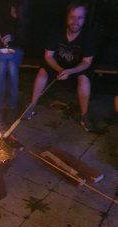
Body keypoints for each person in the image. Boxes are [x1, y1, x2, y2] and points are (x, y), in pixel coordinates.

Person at [25, 0, 98, 132]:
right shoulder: (56, 31)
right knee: (42, 72)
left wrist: (70, 71)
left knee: (84, 79)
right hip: (57, 64)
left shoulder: (89, 36)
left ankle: (84, 115)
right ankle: (32, 106)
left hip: (77, 67)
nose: (76, 21)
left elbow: (87, 62)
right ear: (67, 18)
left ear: (84, 19)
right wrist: (60, 69)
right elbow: (48, 56)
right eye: (72, 17)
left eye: (80, 18)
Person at [0, 0, 30, 125]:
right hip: (0, 51)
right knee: (1, 65)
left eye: (18, 13)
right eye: (14, 10)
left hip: (17, 51)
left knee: (11, 67)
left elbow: (29, 40)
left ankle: (12, 107)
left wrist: (14, 37)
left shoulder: (26, 18)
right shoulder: (0, 13)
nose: (15, 14)